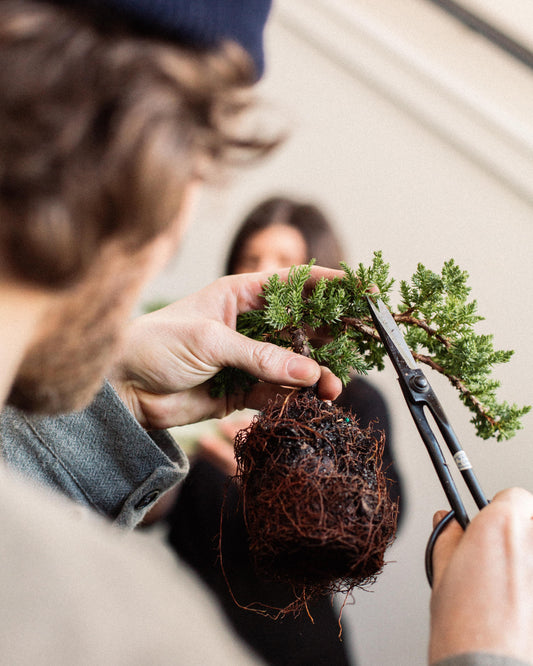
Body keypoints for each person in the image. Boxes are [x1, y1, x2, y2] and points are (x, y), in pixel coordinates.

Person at [0, 1, 531, 665]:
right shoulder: (122, 631)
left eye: (282, 262)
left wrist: (119, 402)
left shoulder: (351, 400)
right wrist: (481, 650)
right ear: (160, 182)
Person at [163, 195, 404, 666]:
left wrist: (259, 471)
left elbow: (383, 517)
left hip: (290, 649)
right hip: (181, 640)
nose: (266, 277)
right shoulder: (199, 387)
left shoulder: (346, 398)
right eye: (250, 261)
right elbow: (154, 512)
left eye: (285, 263)